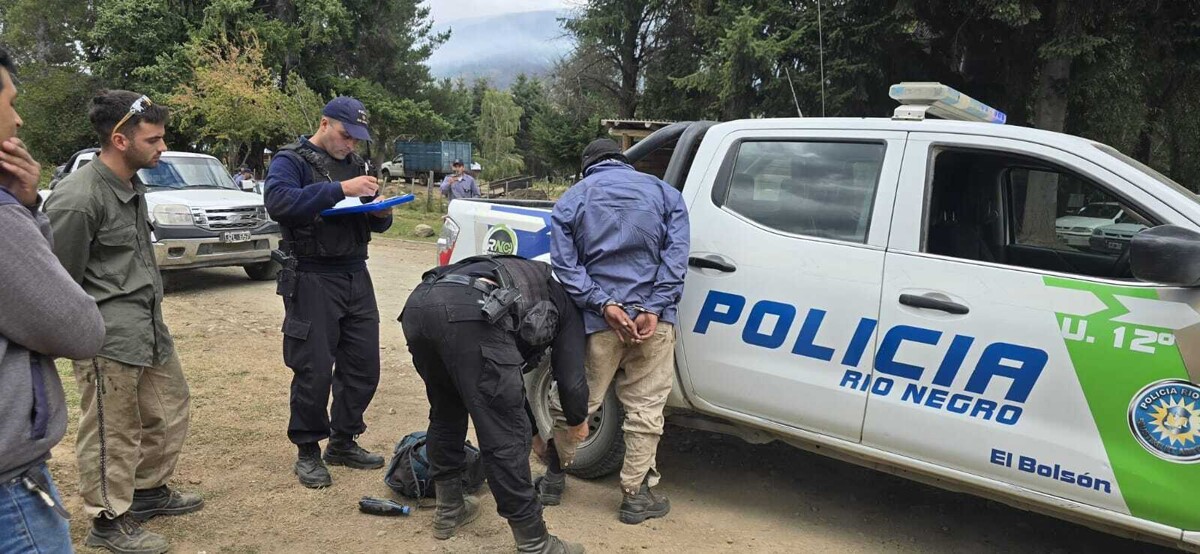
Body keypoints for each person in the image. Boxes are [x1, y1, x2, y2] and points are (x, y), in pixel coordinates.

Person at [45, 90, 203, 554]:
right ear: (119, 139)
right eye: (153, 139)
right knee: (112, 431)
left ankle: (149, 490)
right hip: (107, 337)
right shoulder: (78, 198)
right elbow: (60, 282)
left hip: (148, 327)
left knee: (169, 410)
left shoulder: (133, 186)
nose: (162, 148)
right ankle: (107, 520)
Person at [400, 255, 588, 553]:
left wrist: (536, 435)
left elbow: (508, 383)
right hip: (471, 312)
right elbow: (571, 377)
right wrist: (578, 420)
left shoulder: (526, 274)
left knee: (446, 409)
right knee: (504, 435)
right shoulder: (566, 298)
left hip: (419, 304)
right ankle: (534, 541)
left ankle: (449, 510)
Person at [545, 138, 690, 525]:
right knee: (646, 408)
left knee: (575, 403)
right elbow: (676, 260)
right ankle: (634, 498)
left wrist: (603, 304)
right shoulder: (666, 194)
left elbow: (565, 265)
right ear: (623, 162)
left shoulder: (574, 198)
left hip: (598, 324)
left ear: (588, 167)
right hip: (653, 326)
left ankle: (554, 478)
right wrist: (654, 308)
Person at [0, 46, 106, 554]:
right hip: (8, 495)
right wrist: (24, 212)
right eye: (11, 100)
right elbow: (74, 326)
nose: (18, 119)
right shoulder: (80, 194)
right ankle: (113, 517)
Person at [263, 96, 394, 489]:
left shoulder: (356, 166)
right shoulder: (292, 160)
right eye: (345, 135)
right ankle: (307, 449)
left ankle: (343, 439)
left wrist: (381, 213)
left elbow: (371, 220)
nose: (351, 145)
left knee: (363, 365)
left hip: (355, 272)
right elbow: (279, 202)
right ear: (324, 123)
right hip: (312, 276)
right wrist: (340, 189)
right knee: (314, 368)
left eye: (357, 139)